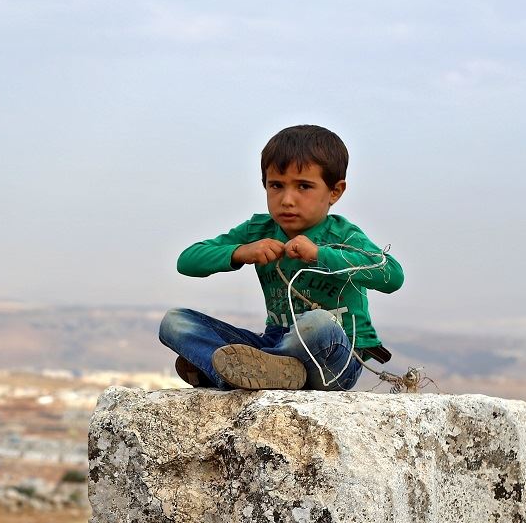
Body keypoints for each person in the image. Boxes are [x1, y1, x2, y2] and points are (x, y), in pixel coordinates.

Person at [160, 124, 404, 390]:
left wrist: (320, 255)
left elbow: (392, 275)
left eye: (303, 187)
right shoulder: (258, 230)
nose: (287, 199)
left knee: (318, 322)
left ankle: (226, 369)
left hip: (334, 355)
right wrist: (241, 252)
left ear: (335, 191)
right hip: (276, 341)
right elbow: (187, 261)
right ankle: (253, 370)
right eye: (276, 185)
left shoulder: (343, 235)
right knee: (174, 321)